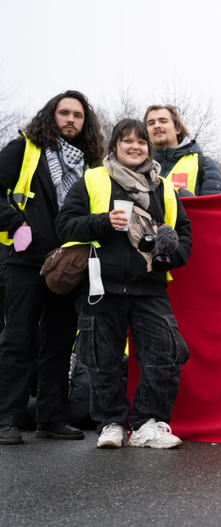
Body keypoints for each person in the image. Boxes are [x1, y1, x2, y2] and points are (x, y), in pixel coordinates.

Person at [56, 119, 192, 449]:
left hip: (149, 287)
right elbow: (64, 226)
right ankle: (111, 423)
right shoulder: (92, 179)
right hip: (101, 286)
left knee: (167, 354)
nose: (135, 147)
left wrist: (169, 252)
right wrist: (103, 222)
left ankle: (147, 422)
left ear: (149, 147)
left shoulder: (164, 187)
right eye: (127, 141)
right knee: (102, 361)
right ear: (114, 145)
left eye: (142, 142)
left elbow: (185, 234)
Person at [0, 90, 104, 445]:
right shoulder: (24, 149)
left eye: (78, 115)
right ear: (51, 115)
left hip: (68, 267)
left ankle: (51, 417)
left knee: (59, 342)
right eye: (64, 113)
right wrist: (14, 225)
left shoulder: (91, 166)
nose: (71, 120)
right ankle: (8, 419)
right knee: (18, 339)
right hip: (26, 260)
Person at [144, 104, 221, 196]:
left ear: (177, 128)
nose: (156, 125)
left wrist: (178, 197)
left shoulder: (204, 164)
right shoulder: (138, 164)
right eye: (151, 123)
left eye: (163, 121)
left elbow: (213, 208)